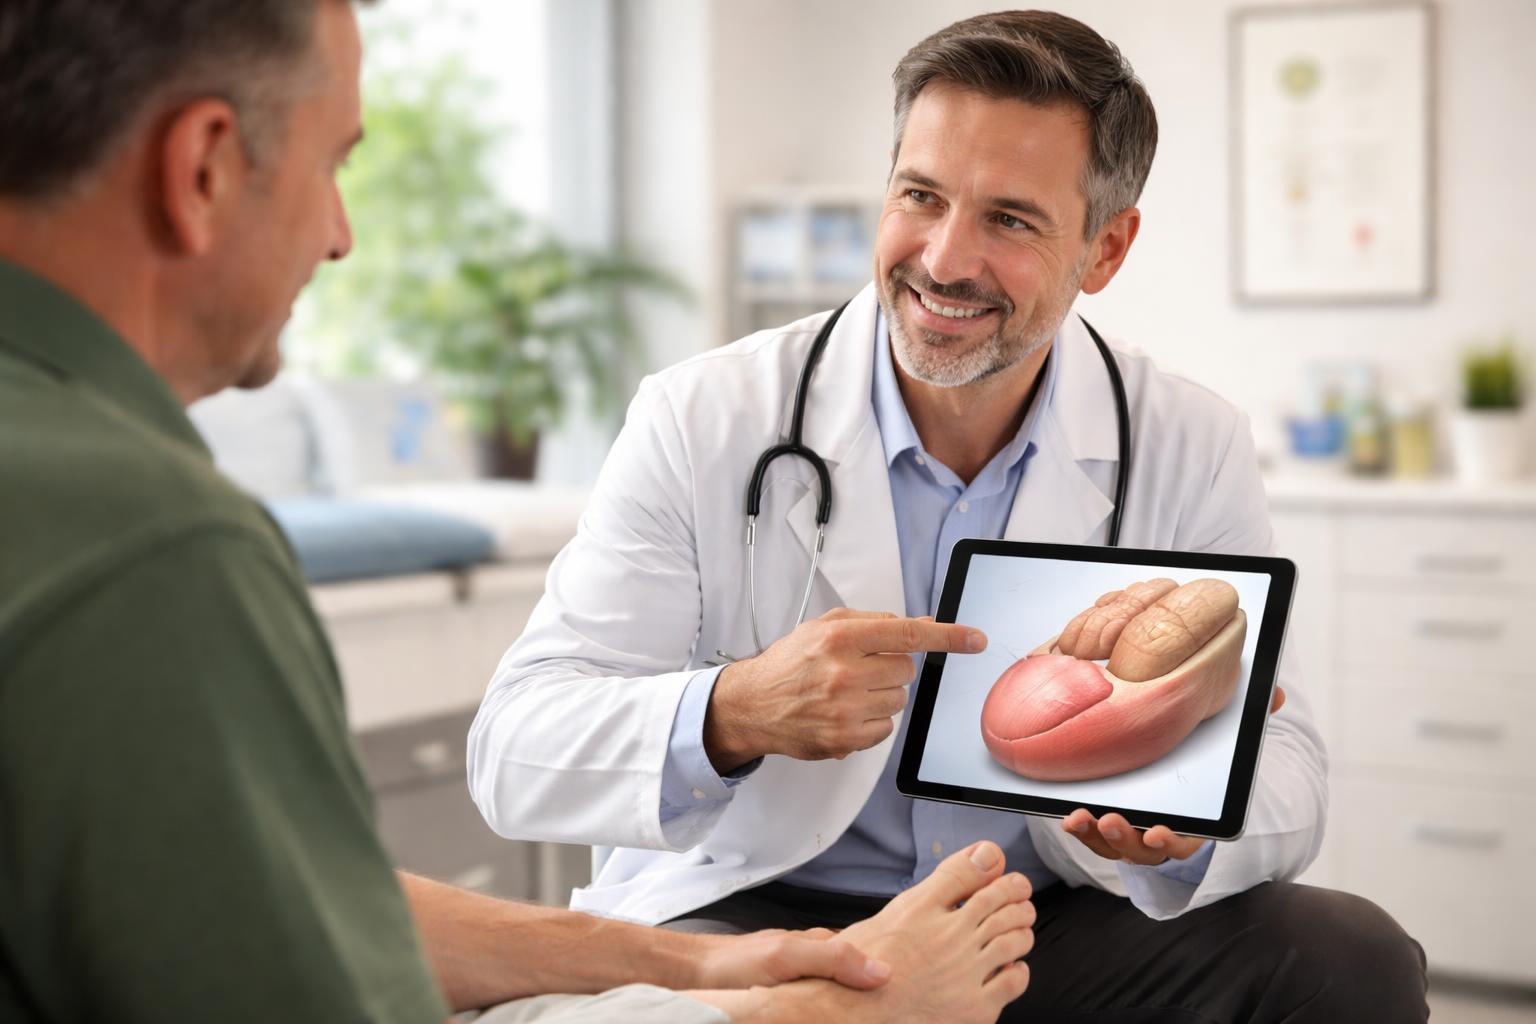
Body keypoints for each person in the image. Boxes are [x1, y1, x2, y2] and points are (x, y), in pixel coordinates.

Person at [0, 2, 1038, 1022]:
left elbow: (313, 908)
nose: (340, 237)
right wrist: (826, 1015)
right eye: (333, 165)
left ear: (1104, 249)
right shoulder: (155, 547)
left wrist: (696, 968)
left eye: (1010, 217)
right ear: (204, 169)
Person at [468, 9, 1429, 1021]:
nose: (943, 257)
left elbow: (1290, 770)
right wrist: (732, 709)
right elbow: (513, 751)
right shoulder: (704, 417)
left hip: (1038, 918)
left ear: (1105, 247)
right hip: (754, 916)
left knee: (1347, 957)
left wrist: (1187, 828)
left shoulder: (1187, 439)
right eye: (921, 196)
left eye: (1009, 220)